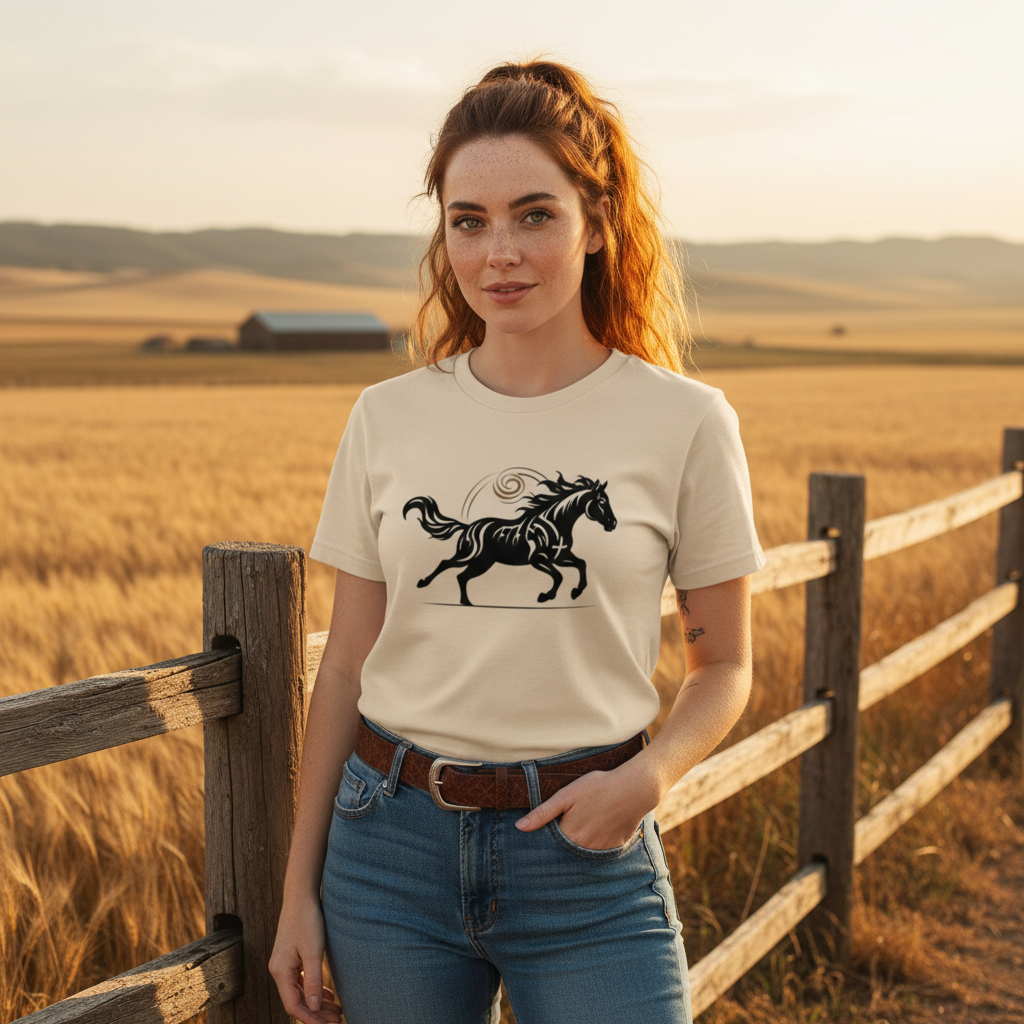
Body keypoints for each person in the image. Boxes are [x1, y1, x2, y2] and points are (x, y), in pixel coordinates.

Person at [269, 60, 766, 1024]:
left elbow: (725, 665)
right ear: (445, 229)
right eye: (470, 220)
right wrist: (299, 892)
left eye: (534, 214)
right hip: (389, 852)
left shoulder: (686, 422)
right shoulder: (387, 418)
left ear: (597, 220)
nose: (500, 252)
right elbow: (343, 671)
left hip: (589, 850)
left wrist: (648, 779)